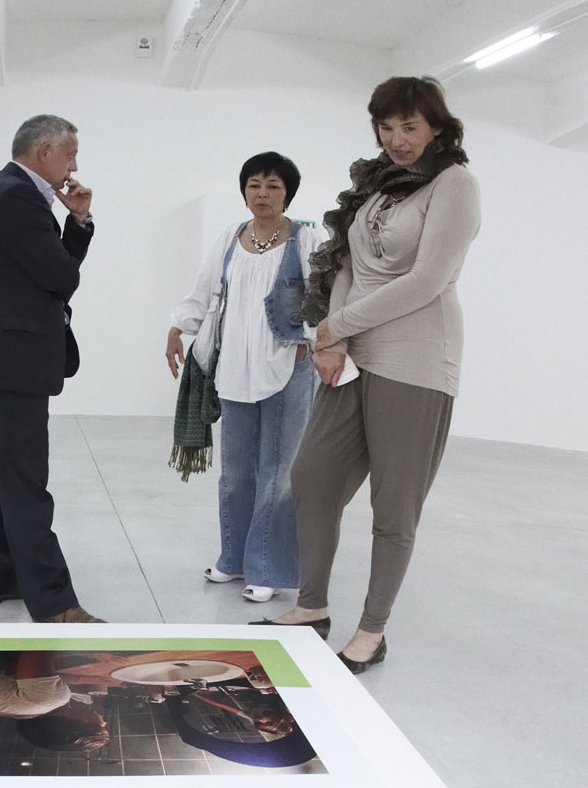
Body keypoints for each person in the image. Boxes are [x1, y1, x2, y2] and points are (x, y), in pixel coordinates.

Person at [260, 77, 481, 672]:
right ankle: (312, 606)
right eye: (386, 127)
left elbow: (428, 280)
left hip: (417, 358)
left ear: (436, 127)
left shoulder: (454, 184)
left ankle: (372, 631)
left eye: (410, 126)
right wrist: (334, 337)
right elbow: (347, 265)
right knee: (312, 478)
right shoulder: (377, 185)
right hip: (356, 354)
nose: (397, 139)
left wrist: (336, 326)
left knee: (394, 504)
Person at [0, 114, 102, 623]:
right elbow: (60, 275)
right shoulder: (16, 196)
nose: (74, 167)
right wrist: (76, 225)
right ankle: (54, 603)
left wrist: (76, 221)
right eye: (70, 155)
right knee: (25, 485)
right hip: (8, 366)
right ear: (44, 152)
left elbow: (49, 271)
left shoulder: (9, 192)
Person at [166, 152, 317, 603]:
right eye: (254, 185)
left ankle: (266, 567)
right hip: (234, 370)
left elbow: (323, 300)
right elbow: (204, 290)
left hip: (288, 368)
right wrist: (178, 328)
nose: (262, 194)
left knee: (279, 473)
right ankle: (233, 558)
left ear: (287, 193)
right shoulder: (230, 238)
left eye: (273, 186)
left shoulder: (305, 240)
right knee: (234, 472)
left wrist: (315, 341)